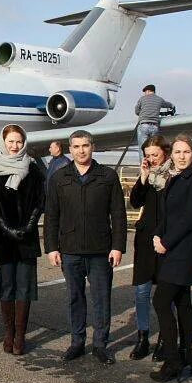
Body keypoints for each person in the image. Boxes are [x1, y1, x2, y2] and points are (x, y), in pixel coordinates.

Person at [45, 130, 126, 365]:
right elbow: (51, 216)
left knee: (102, 298)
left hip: (101, 250)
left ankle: (101, 344)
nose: (81, 150)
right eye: (76, 146)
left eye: (85, 146)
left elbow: (118, 215)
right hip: (70, 250)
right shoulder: (59, 178)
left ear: (93, 147)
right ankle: (77, 342)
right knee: (75, 297)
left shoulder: (107, 176)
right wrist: (52, 247)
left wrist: (117, 246)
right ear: (70, 149)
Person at [150, 134, 192, 382]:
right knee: (182, 301)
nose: (181, 156)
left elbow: (190, 218)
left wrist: (166, 242)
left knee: (161, 302)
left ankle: (173, 359)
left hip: (183, 251)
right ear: (171, 155)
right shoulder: (174, 179)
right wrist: (157, 235)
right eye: (177, 152)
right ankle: (187, 354)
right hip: (171, 248)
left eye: (186, 152)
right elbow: (167, 215)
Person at [0, 125, 45, 356]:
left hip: (27, 240)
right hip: (4, 240)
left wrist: (26, 228)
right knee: (7, 287)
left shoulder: (33, 170)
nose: (15, 146)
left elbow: (40, 203)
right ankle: (8, 332)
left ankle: (20, 335)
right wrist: (8, 229)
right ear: (3, 142)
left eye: (19, 142)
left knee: (25, 288)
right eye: (10, 141)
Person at [127, 135, 172, 360]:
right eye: (148, 156)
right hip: (145, 241)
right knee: (141, 292)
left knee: (165, 293)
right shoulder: (147, 175)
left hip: (166, 241)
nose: (152, 159)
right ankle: (143, 337)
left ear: (165, 153)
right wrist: (143, 177)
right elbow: (135, 201)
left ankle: (165, 338)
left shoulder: (174, 176)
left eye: (155, 155)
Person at [134, 84, 175, 161]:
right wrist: (172, 106)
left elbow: (136, 111)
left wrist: (143, 112)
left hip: (143, 126)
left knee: (143, 149)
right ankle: (154, 167)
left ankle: (144, 169)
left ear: (148, 91)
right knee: (154, 148)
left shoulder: (142, 99)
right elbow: (168, 105)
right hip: (155, 127)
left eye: (145, 92)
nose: (144, 94)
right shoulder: (159, 99)